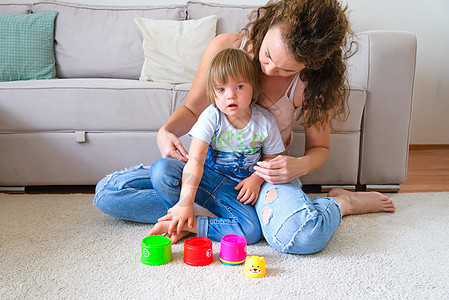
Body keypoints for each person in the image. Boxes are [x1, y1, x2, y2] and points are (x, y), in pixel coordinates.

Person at [94, 0, 396, 254]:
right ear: (272, 21)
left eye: (286, 68)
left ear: (310, 65)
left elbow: (320, 149)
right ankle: (231, 218)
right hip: (210, 174)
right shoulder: (227, 49)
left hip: (263, 178)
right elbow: (192, 109)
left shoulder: (312, 83)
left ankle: (339, 203)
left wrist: (297, 166)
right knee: (109, 193)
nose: (268, 69)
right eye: (267, 56)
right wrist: (166, 131)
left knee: (303, 236)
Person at [148, 48, 284, 244]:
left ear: (253, 86)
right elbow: (195, 161)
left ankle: (189, 225)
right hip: (206, 180)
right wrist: (185, 202)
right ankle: (181, 214)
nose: (231, 96)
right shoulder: (212, 116)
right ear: (213, 92)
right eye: (221, 89)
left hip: (236, 192)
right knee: (161, 169)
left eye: (239, 87)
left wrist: (256, 178)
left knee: (251, 231)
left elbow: (274, 159)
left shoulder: (265, 121)